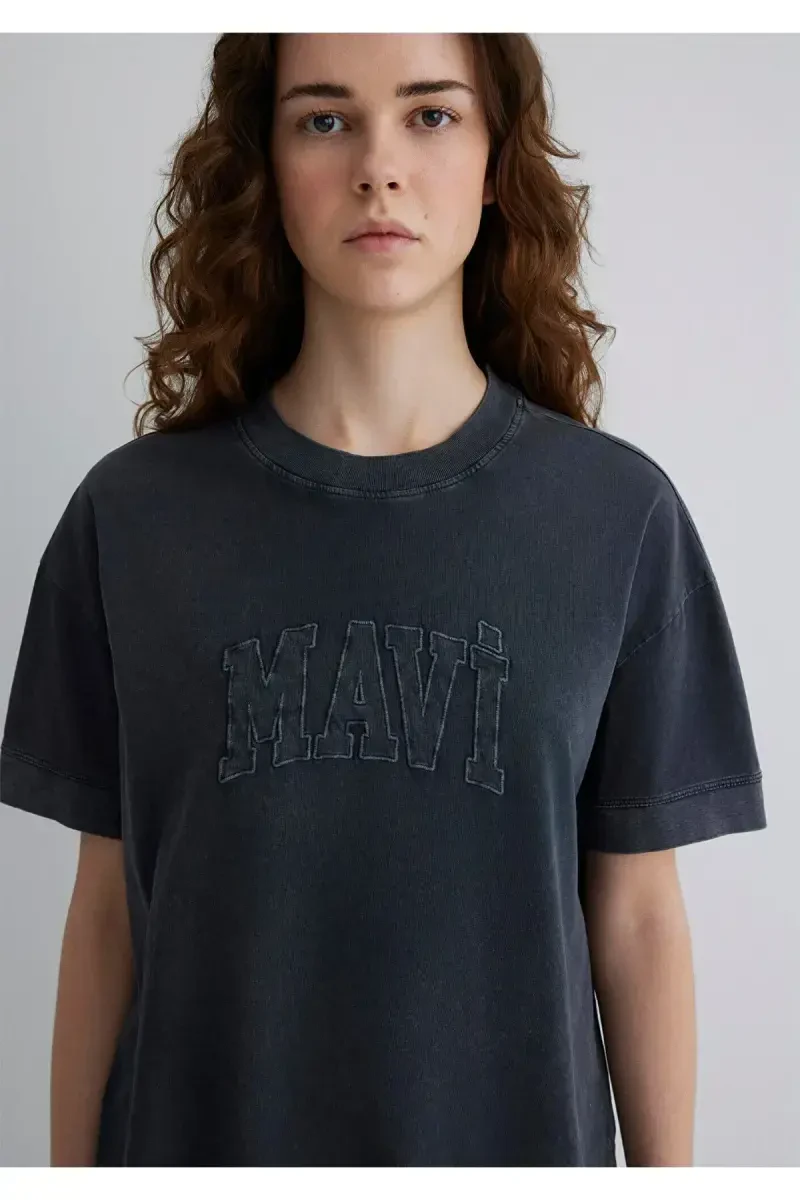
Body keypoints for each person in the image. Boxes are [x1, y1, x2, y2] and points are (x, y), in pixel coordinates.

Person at [0, 33, 766, 1168]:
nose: (378, 169)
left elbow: (641, 919)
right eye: (324, 120)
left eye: (430, 115)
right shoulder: (130, 521)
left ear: (495, 161)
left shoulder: (616, 519)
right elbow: (106, 910)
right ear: (265, 163)